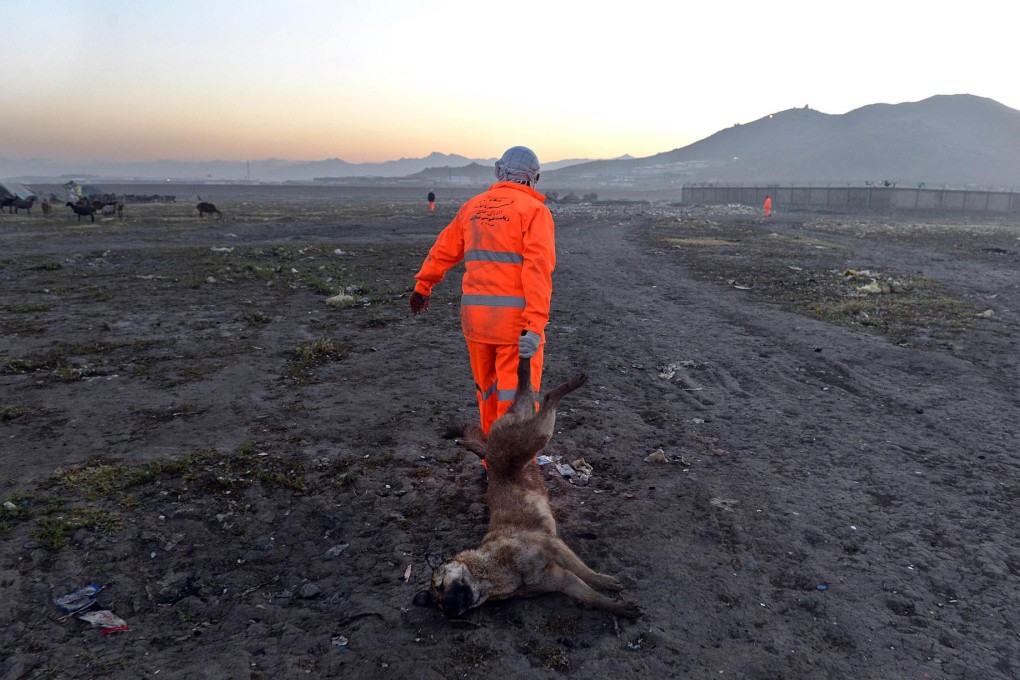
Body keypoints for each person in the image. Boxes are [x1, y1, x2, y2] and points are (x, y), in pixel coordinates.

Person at [410, 146, 555, 441]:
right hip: (515, 327)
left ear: (499, 171)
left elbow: (443, 249)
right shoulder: (533, 211)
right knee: (517, 401)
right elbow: (538, 272)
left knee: (487, 395)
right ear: (534, 177)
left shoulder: (472, 208)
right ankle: (512, 470)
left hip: (477, 323)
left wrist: (423, 286)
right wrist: (535, 327)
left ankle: (492, 463)